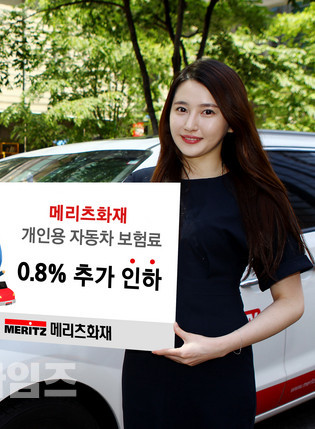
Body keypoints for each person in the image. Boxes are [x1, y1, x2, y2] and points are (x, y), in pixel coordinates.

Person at [121, 58, 312, 429]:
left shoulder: (257, 196)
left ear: (231, 122)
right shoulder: (140, 186)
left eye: (208, 111)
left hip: (220, 368)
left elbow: (291, 302)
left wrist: (220, 346)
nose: (191, 124)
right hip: (146, 368)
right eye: (181, 109)